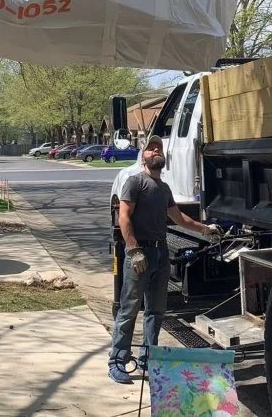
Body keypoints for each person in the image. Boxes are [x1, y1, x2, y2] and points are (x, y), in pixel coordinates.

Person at [108, 134, 222, 384]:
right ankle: (117, 360)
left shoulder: (164, 188)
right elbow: (124, 217)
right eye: (151, 148)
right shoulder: (135, 182)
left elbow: (179, 219)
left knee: (156, 311)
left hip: (160, 254)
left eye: (159, 148)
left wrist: (205, 229)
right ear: (143, 156)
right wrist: (134, 250)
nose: (156, 151)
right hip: (140, 254)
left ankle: (150, 359)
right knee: (129, 310)